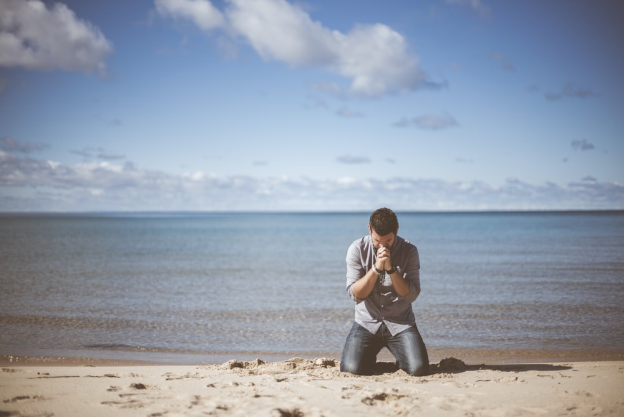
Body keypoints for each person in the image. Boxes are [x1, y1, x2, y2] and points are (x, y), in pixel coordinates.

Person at [340, 207, 429, 376]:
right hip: (366, 322)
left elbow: (411, 295)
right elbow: (355, 294)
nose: (382, 246)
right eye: (377, 240)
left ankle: (402, 357)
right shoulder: (357, 248)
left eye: (387, 241)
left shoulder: (409, 250)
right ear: (369, 229)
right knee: (350, 370)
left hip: (400, 322)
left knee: (418, 370)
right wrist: (376, 268)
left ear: (396, 231)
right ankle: (367, 358)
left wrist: (390, 269)